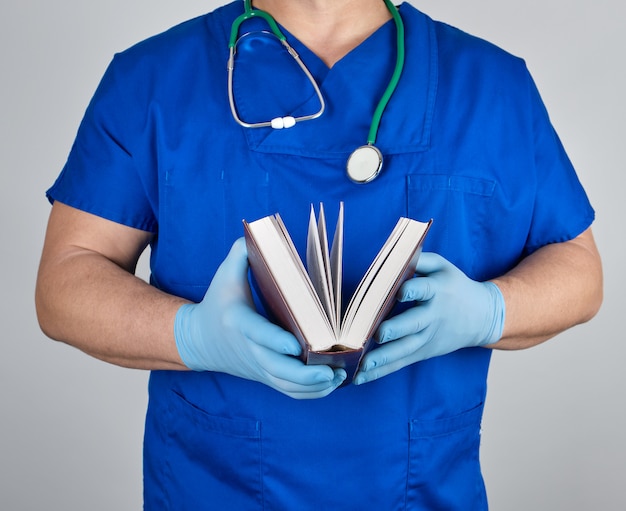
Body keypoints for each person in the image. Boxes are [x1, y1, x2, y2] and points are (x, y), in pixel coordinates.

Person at [35, 0, 602, 508]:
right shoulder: (153, 81)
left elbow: (578, 270)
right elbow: (65, 282)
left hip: (424, 492)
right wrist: (190, 334)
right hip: (207, 491)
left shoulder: (492, 86)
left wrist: (488, 311)